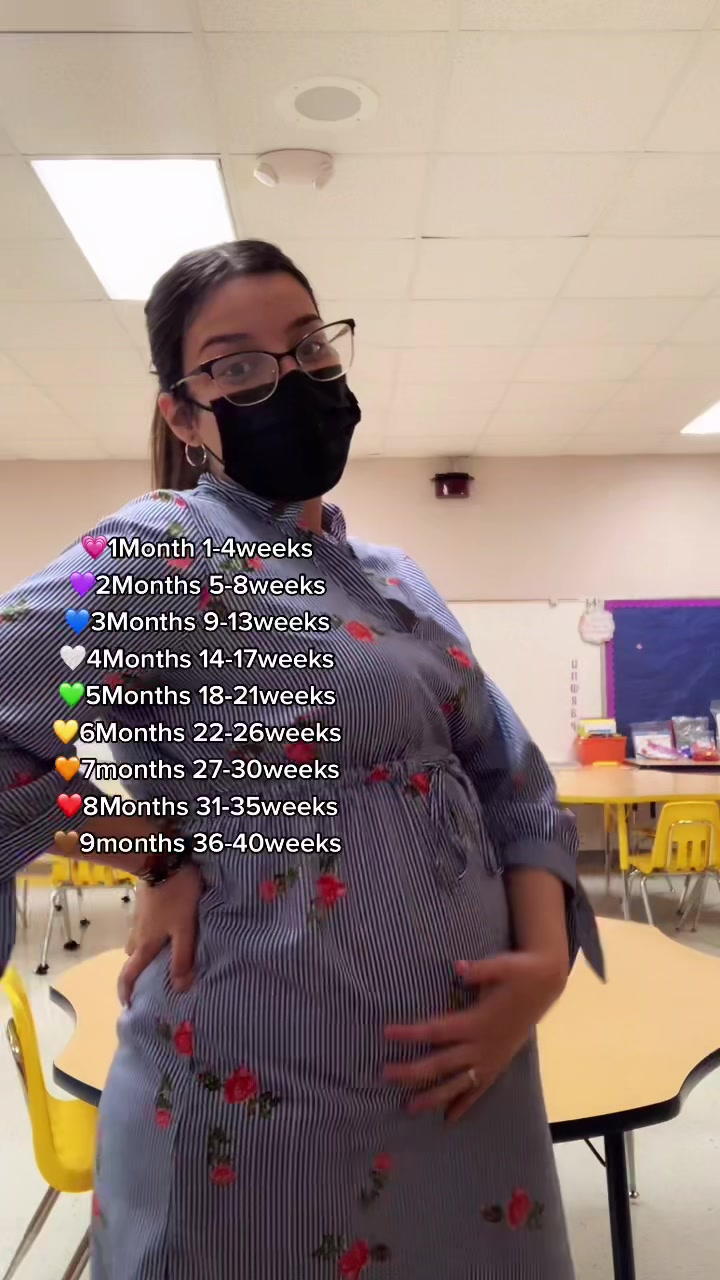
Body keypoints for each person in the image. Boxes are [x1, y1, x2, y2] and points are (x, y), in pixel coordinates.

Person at [0, 240, 603, 1280]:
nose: (288, 379)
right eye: (236, 364)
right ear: (184, 415)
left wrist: (543, 967)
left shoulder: (396, 575)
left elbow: (513, 774)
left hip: (472, 1083)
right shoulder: (163, 547)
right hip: (265, 1088)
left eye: (309, 345)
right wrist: (152, 850)